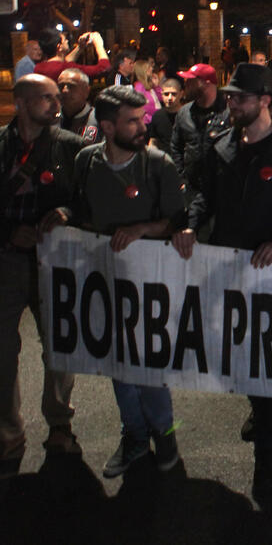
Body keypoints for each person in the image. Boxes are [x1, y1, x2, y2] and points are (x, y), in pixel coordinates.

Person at [172, 63, 272, 493]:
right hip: (229, 266)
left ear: (265, 102)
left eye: (240, 97)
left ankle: (266, 453)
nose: (231, 103)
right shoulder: (219, 142)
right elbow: (203, 193)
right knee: (242, 350)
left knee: (269, 357)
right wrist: (190, 224)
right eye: (230, 96)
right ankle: (260, 408)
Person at [68, 86, 186, 477]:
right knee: (118, 363)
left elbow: (179, 223)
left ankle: (164, 433)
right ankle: (134, 435)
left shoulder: (158, 164)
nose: (143, 126)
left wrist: (142, 229)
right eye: (132, 121)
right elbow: (78, 210)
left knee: (149, 365)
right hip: (102, 282)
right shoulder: (86, 162)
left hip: (149, 285)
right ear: (106, 126)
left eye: (143, 118)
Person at [0, 75, 85, 479]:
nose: (56, 104)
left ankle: (59, 425)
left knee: (59, 343)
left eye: (58, 96)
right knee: (2, 350)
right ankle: (8, 432)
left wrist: (68, 214)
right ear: (20, 103)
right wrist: (7, 232)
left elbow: (89, 194)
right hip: (9, 259)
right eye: (45, 98)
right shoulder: (1, 147)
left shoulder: (69, 146)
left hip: (54, 259)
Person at [170, 64, 228, 194]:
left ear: (205, 83)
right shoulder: (184, 113)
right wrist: (181, 177)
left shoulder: (228, 113)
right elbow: (175, 146)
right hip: (192, 188)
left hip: (221, 189)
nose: (186, 84)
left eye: (191, 81)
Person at [33, 29, 110, 82]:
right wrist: (98, 44)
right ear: (59, 47)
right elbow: (104, 68)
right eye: (64, 40)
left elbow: (63, 62)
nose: (67, 41)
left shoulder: (38, 67)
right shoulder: (66, 69)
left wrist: (80, 47)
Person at [57, 68, 101, 145]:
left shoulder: (99, 119)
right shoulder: (50, 118)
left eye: (71, 86)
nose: (65, 90)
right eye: (61, 86)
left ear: (87, 90)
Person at [149, 78, 183, 151]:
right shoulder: (157, 116)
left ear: (181, 94)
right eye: (166, 94)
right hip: (163, 159)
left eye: (174, 94)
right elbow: (153, 141)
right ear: (162, 95)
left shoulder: (187, 115)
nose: (170, 98)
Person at [133, 58, 162, 124]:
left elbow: (161, 99)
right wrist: (149, 119)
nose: (152, 69)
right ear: (142, 71)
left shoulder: (150, 85)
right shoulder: (139, 86)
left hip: (156, 120)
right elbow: (140, 106)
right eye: (149, 68)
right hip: (148, 123)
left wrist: (157, 86)